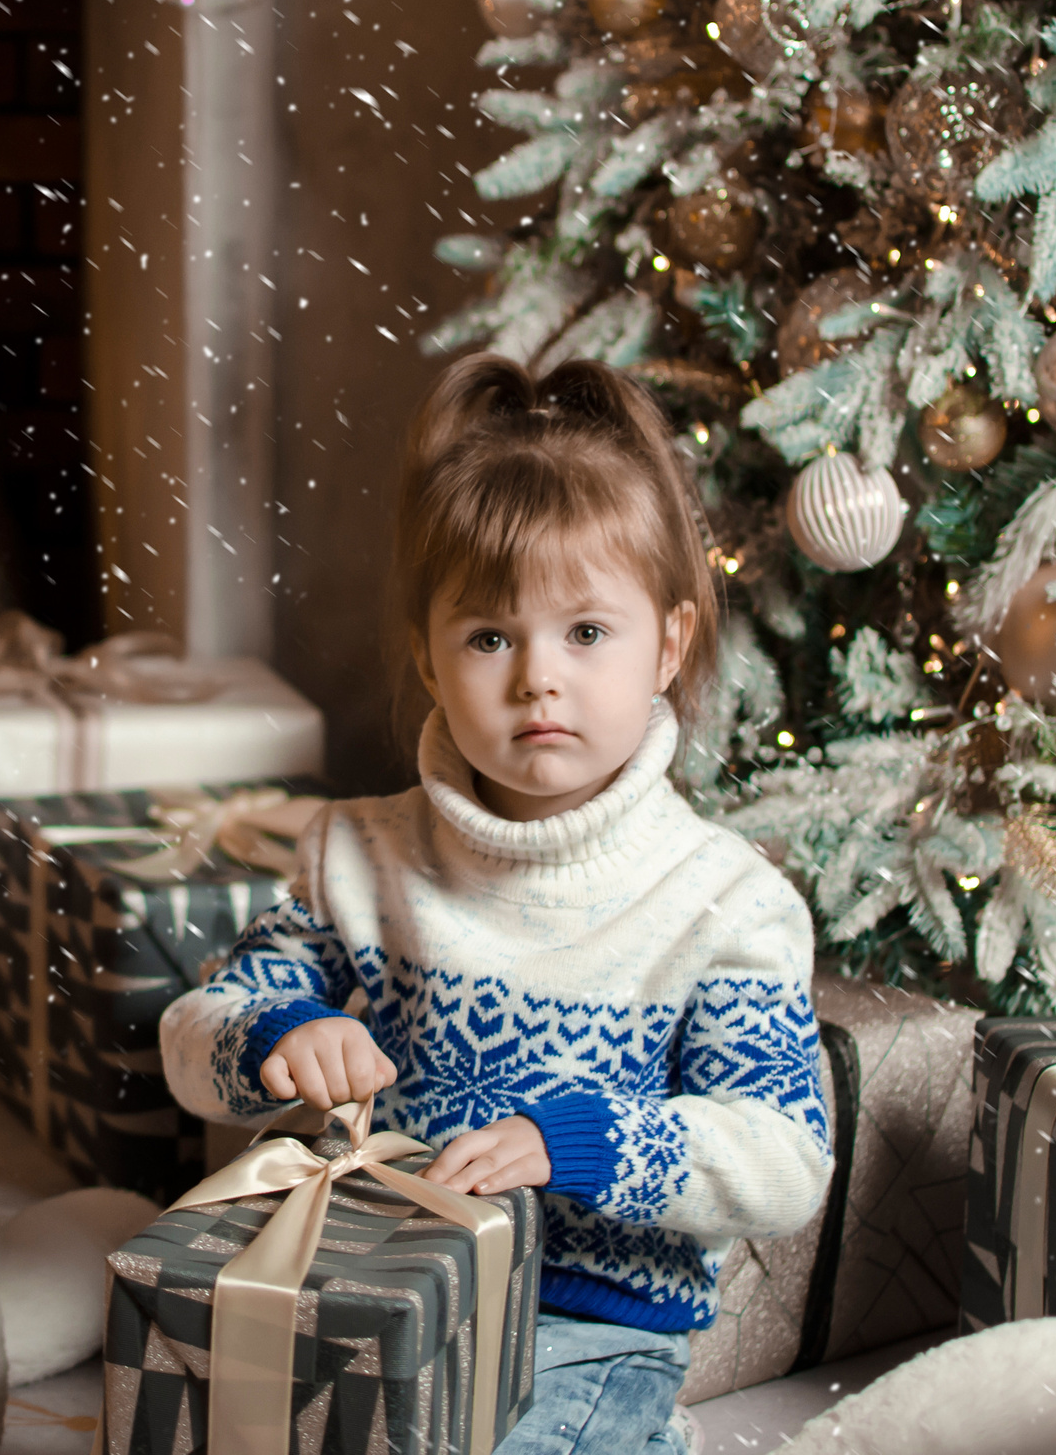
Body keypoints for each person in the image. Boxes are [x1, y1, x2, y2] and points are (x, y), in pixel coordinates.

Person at [161, 354, 833, 1455]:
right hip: (363, 1284)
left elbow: (780, 1155)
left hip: (584, 1328)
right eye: (488, 637)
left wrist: (575, 1141)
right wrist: (280, 1034)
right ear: (430, 660)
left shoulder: (722, 903)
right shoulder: (353, 856)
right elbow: (193, 1037)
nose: (537, 678)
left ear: (665, 644)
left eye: (585, 632)